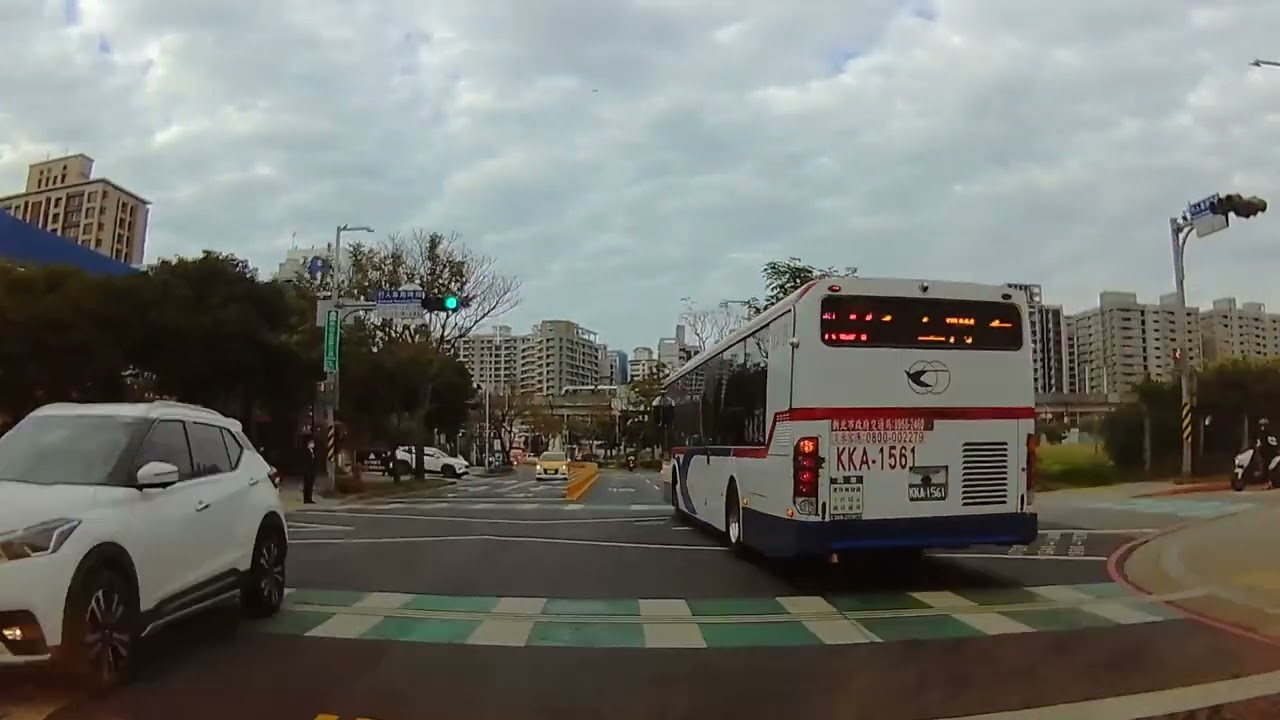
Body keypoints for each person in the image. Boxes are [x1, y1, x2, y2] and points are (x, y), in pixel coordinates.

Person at [302, 437, 318, 505]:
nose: (313, 444)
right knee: (307, 485)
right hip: (307, 471)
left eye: (313, 443)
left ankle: (309, 499)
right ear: (308, 444)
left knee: (310, 485)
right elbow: (305, 462)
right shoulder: (306, 451)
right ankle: (306, 499)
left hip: (311, 471)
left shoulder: (312, 451)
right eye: (312, 443)